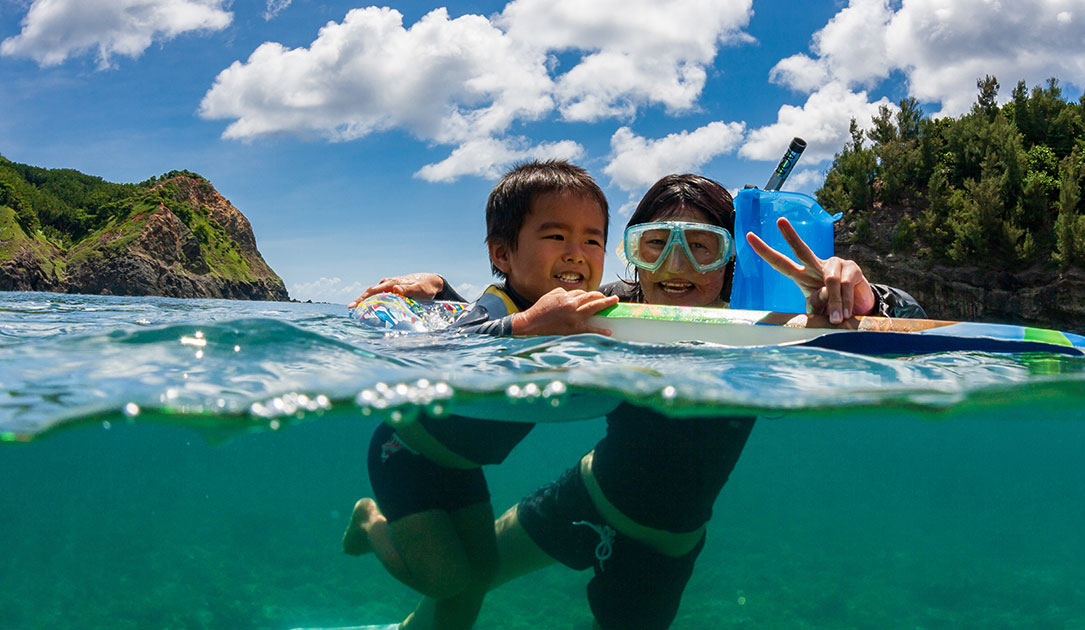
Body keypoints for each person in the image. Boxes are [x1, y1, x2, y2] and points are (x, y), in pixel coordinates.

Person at [366, 173, 924, 630]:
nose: (676, 265)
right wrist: (441, 289)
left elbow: (906, 326)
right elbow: (516, 312)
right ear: (633, 254)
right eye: (656, 244)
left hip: (659, 554)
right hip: (579, 494)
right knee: (458, 586)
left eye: (702, 247)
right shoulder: (607, 308)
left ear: (730, 260)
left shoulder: (758, 325)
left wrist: (863, 298)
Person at [341, 160, 618, 629]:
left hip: (462, 466)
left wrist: (442, 285)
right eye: (556, 236)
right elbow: (451, 343)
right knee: (446, 581)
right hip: (407, 453)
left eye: (592, 240)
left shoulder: (569, 315)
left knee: (481, 576)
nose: (576, 253)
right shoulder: (505, 307)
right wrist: (527, 326)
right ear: (502, 253)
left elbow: (458, 312)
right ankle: (371, 522)